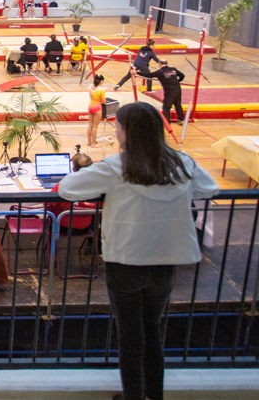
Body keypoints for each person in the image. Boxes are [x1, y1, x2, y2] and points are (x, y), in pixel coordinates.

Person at [59, 101, 218, 400]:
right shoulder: (181, 163)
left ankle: (133, 396)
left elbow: (67, 189)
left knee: (130, 336)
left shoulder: (116, 166)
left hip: (126, 261)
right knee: (152, 330)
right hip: (165, 260)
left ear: (127, 131)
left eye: (117, 127)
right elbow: (209, 189)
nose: (115, 131)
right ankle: (153, 395)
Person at [87, 74, 106, 147]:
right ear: (101, 81)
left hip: (91, 106)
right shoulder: (101, 90)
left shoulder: (90, 87)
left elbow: (91, 96)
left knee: (90, 125)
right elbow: (103, 101)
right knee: (95, 126)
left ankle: (89, 142)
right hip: (97, 107)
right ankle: (93, 143)